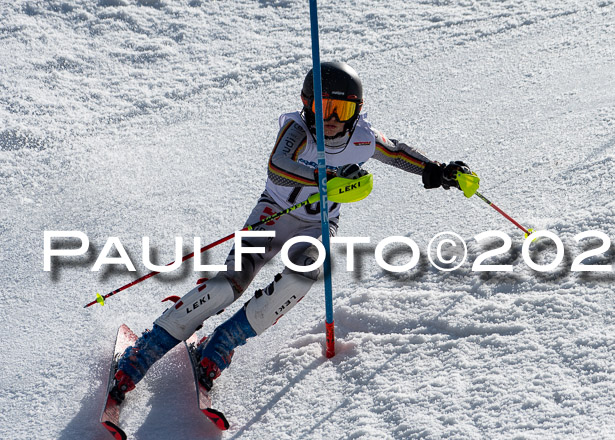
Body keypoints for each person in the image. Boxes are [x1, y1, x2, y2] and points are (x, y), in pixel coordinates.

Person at [110, 61, 473, 402]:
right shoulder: (297, 130)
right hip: (272, 215)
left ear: (356, 112)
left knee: (303, 277)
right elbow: (278, 166)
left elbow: (396, 152)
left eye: (342, 111)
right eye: (324, 106)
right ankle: (146, 350)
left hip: (318, 227)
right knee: (228, 287)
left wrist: (438, 170)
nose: (331, 119)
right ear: (307, 103)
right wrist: (327, 177)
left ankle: (222, 343)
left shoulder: (362, 137)